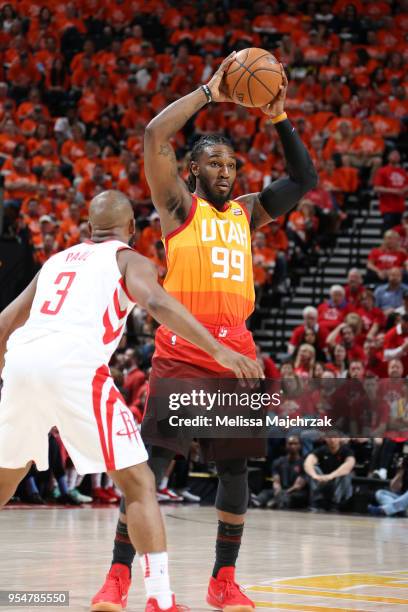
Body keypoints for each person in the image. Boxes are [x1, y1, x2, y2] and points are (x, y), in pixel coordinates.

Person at [93, 52, 317, 612]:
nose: (226, 172)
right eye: (215, 164)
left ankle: (223, 580)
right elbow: (154, 135)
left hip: (236, 351)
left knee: (235, 470)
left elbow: (303, 179)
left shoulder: (245, 212)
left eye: (232, 165)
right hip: (183, 349)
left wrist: (279, 117)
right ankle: (119, 577)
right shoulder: (178, 207)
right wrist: (209, 92)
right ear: (193, 171)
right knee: (154, 467)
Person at [0, 190, 263, 612]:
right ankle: (160, 598)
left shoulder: (54, 262)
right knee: (139, 483)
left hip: (22, 363)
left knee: (6, 478)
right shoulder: (128, 259)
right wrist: (218, 349)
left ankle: (127, 584)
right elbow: (157, 302)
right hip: (74, 365)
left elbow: (3, 324)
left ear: (89, 228)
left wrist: (8, 380)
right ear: (132, 230)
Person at [304, 437, 355, 512]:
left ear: (339, 439)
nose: (332, 440)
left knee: (346, 473)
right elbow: (308, 462)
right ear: (325, 439)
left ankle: (335, 502)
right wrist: (315, 476)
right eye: (330, 438)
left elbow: (349, 465)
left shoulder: (346, 451)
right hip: (322, 482)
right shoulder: (321, 450)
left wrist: (331, 476)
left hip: (337, 483)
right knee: (313, 469)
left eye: (335, 437)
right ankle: (317, 500)